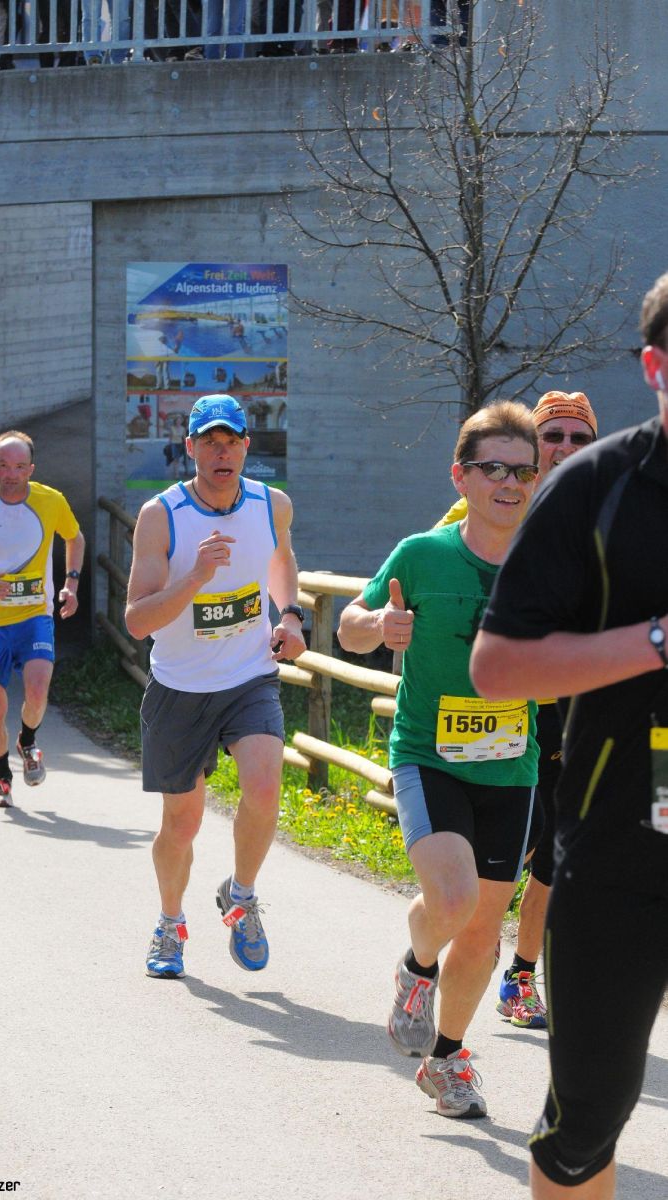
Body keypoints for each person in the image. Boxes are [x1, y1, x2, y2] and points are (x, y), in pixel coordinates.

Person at [470, 274, 668, 1199]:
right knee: (585, 1126)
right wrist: (656, 641)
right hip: (620, 850)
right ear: (654, 367)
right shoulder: (593, 488)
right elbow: (497, 667)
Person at [338, 401, 540, 1119]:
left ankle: (446, 1059)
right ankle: (416, 967)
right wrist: (379, 624)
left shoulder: (549, 562)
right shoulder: (422, 553)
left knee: (482, 932)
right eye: (494, 469)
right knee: (453, 901)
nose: (509, 483)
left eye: (523, 471)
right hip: (430, 756)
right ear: (461, 477)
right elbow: (349, 628)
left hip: (511, 765)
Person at [125, 393, 306, 979]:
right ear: (191, 449)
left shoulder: (272, 504)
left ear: (247, 447)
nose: (221, 453)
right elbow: (138, 620)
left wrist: (290, 615)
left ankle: (242, 895)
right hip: (179, 686)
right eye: (209, 442)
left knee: (265, 786)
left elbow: (280, 560)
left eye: (230, 442)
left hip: (249, 676)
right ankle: (170, 922)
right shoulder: (163, 515)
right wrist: (197, 577)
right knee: (182, 825)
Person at [437, 390, 598, 1030]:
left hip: (569, 706)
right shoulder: (493, 499)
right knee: (496, 853)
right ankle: (445, 948)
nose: (565, 449)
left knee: (558, 851)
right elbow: (438, 564)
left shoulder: (603, 507)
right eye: (552, 436)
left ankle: (520, 975)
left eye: (579, 439)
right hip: (496, 706)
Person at [0, 430, 85, 807]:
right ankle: (3, 778)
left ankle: (27, 740)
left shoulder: (50, 500)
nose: (11, 474)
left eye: (19, 467)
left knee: (38, 690)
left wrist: (71, 585)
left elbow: (75, 538)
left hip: (34, 614)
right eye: (4, 466)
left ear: (31, 469)